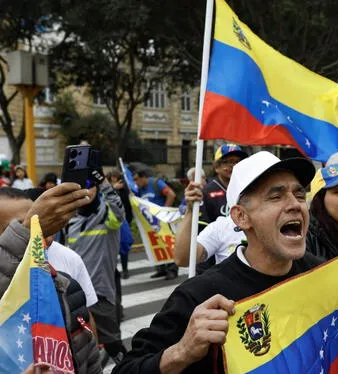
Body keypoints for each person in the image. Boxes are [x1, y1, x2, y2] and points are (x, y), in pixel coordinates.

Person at [114, 151, 321, 373]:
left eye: (299, 195)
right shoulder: (200, 296)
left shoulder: (321, 274)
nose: (295, 205)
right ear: (241, 217)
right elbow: (126, 369)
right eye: (276, 196)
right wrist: (182, 351)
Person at [0, 184, 102, 373]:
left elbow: (89, 355)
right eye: (20, 228)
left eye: (44, 226)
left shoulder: (66, 286)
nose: (43, 238)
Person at [64, 168, 128, 365]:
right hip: (74, 296)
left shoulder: (108, 217)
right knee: (79, 347)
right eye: (82, 187)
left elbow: (118, 210)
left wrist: (105, 184)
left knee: (113, 345)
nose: (86, 191)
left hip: (100, 294)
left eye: (90, 186)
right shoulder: (69, 221)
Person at [133, 169, 178, 279]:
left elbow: (171, 194)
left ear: (144, 177)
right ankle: (161, 269)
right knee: (156, 245)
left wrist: (164, 211)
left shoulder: (155, 183)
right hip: (151, 222)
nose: (136, 182)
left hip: (162, 220)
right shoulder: (140, 189)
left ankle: (172, 270)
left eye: (137, 179)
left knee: (167, 243)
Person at [201, 144, 248, 222]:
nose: (234, 166)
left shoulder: (247, 188)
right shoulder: (207, 191)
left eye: (237, 162)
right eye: (229, 162)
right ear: (217, 167)